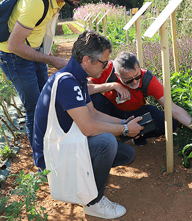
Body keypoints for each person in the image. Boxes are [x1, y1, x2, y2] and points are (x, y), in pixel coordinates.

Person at [32, 31, 143, 219]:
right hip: (52, 159)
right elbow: (89, 127)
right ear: (86, 60)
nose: (106, 67)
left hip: (64, 146)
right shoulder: (67, 82)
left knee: (125, 153)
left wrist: (125, 123)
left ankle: (84, 180)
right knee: (107, 143)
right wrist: (124, 130)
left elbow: (93, 113)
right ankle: (93, 202)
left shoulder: (77, 78)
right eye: (103, 62)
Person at [0, 0, 98, 147]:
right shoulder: (35, 1)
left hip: (33, 51)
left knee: (48, 102)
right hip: (15, 57)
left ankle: (51, 147)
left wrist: (45, 49)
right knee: (34, 108)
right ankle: (42, 161)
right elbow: (14, 45)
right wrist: (51, 59)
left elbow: (43, 26)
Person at [88, 51, 192, 146]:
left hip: (136, 114)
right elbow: (84, 89)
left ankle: (137, 135)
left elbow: (172, 108)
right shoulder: (107, 70)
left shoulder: (148, 79)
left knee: (167, 122)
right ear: (117, 75)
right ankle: (108, 136)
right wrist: (113, 85)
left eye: (137, 76)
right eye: (128, 80)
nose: (135, 82)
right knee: (94, 99)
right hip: (112, 113)